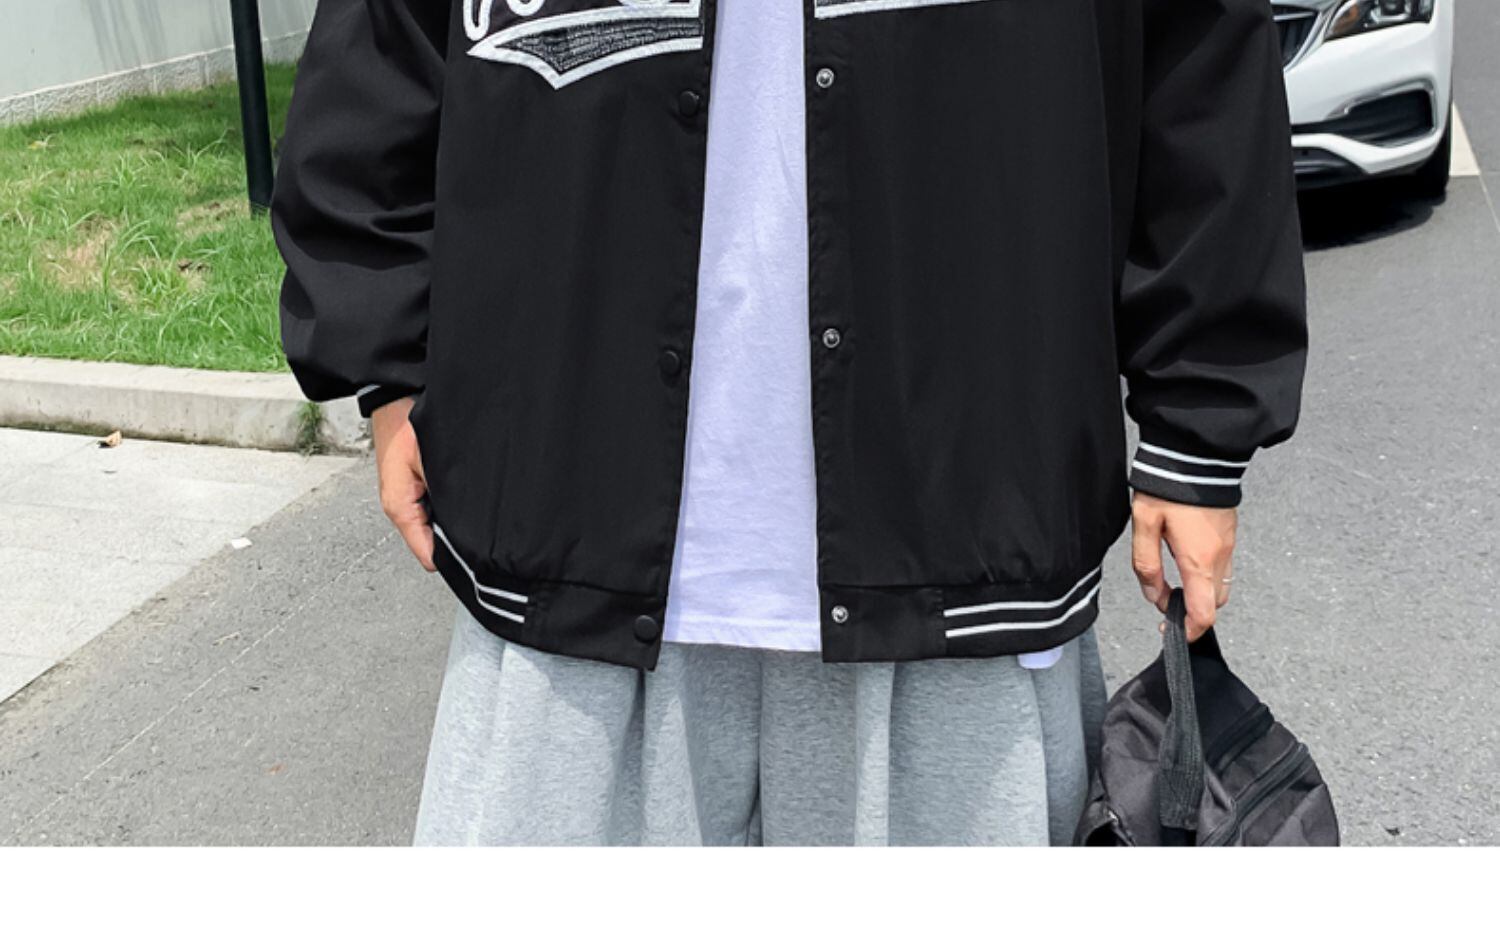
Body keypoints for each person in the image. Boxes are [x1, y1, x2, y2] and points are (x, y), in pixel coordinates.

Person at [271, 0, 1307, 845]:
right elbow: (382, 48)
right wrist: (387, 364)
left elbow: (1202, 58)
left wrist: (1199, 426)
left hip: (960, 559)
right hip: (566, 554)